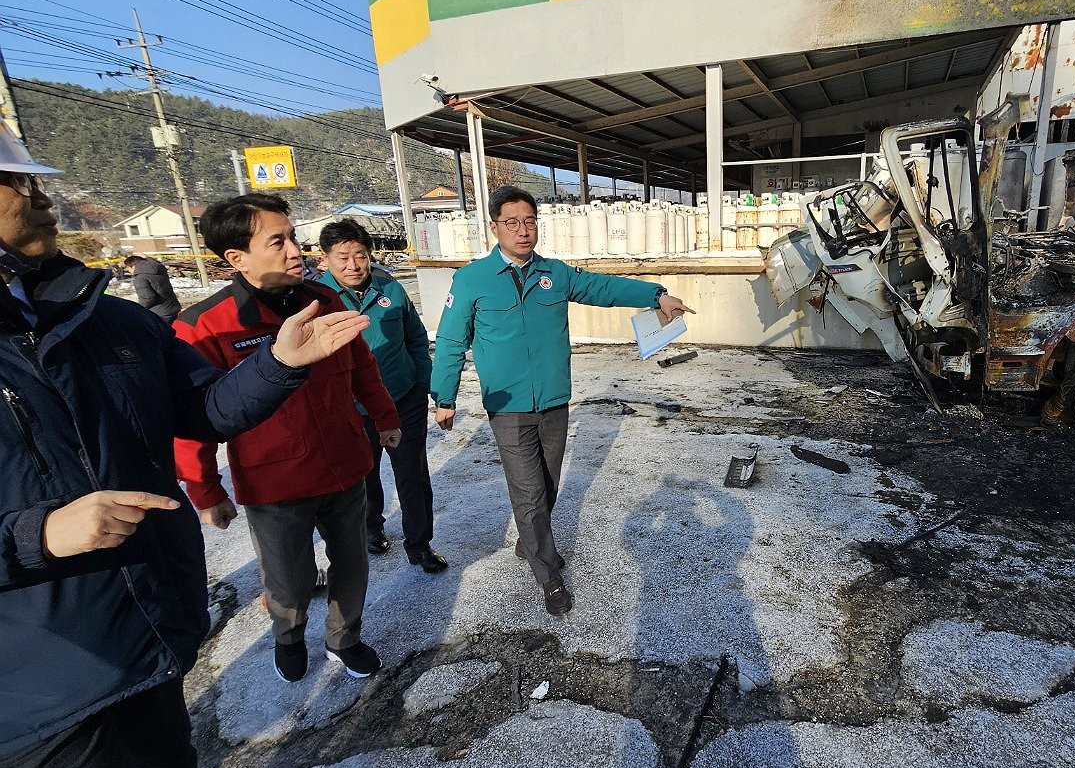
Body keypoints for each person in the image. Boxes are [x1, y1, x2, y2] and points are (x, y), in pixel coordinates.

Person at [0, 124, 371, 768]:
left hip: (147, 618)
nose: (34, 191)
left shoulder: (113, 321)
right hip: (36, 677)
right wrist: (38, 534)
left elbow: (204, 409)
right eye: (11, 179)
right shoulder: (194, 313)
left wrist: (277, 365)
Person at [431, 184, 692, 616]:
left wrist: (655, 295)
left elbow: (601, 288)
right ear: (494, 227)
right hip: (508, 404)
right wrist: (444, 395)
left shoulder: (554, 272)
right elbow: (452, 340)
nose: (523, 230)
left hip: (553, 400)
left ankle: (529, 540)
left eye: (530, 221)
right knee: (530, 491)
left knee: (547, 484)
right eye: (512, 222)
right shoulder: (472, 279)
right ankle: (548, 574)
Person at [174, 194, 401, 684]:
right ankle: (289, 636)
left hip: (344, 464)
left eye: (293, 236)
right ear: (237, 258)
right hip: (275, 481)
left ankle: (345, 638)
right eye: (277, 241)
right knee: (289, 579)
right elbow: (191, 418)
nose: (295, 250)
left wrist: (384, 416)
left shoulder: (325, 300)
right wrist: (205, 489)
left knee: (351, 565)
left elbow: (360, 365)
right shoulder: (205, 326)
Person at [318, 219, 446, 573]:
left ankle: (419, 545)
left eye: (359, 255)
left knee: (413, 474)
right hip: (350, 409)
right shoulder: (315, 299)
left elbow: (416, 339)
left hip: (402, 398)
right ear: (325, 258)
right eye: (342, 257)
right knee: (363, 474)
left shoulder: (390, 288)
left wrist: (422, 383)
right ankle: (371, 529)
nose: (353, 265)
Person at [123, 251, 181, 321]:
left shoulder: (140, 278)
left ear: (133, 266)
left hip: (159, 313)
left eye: (128, 268)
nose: (128, 270)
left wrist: (138, 309)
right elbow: (158, 265)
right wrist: (147, 257)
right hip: (174, 308)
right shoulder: (159, 270)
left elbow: (148, 298)